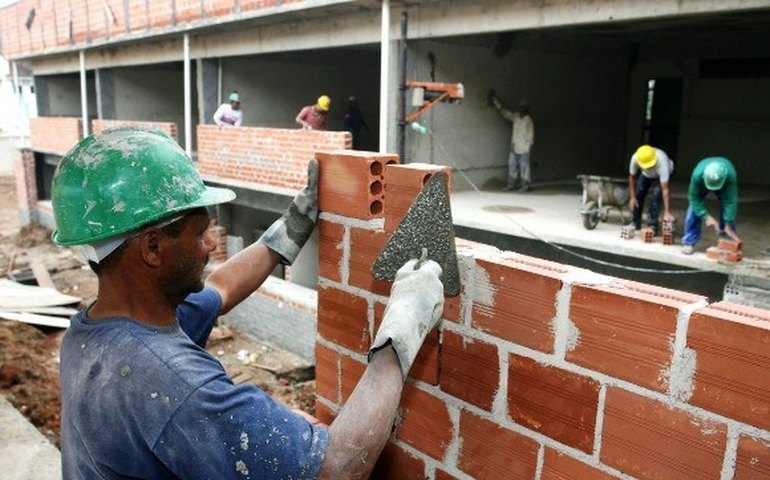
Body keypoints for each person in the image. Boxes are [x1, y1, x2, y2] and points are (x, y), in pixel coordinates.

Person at [52, 127, 445, 479]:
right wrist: (403, 325)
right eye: (201, 232)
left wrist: (292, 225)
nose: (210, 245)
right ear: (153, 247)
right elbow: (335, 469)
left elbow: (221, 288)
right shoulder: (174, 383)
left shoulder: (94, 333)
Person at [681, 156, 740, 255]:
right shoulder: (698, 175)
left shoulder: (730, 175)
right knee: (693, 209)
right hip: (703, 180)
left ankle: (727, 238)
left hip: (724, 181)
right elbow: (694, 198)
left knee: (727, 207)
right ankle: (689, 241)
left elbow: (730, 202)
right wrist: (706, 216)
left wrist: (728, 223)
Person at [491, 93, 535, 191]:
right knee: (512, 166)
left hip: (524, 149)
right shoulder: (516, 117)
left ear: (527, 109)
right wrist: (496, 103)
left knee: (524, 168)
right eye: (520, 107)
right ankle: (511, 185)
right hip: (514, 147)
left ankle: (525, 186)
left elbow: (530, 137)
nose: (520, 109)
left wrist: (527, 149)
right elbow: (506, 113)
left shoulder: (528, 121)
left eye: (523, 108)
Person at [628, 144, 675, 234]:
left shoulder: (662, 160)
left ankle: (652, 225)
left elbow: (665, 190)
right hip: (646, 175)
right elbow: (632, 177)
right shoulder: (635, 158)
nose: (649, 167)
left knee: (656, 196)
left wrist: (667, 211)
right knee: (638, 194)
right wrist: (632, 197)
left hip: (661, 173)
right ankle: (635, 222)